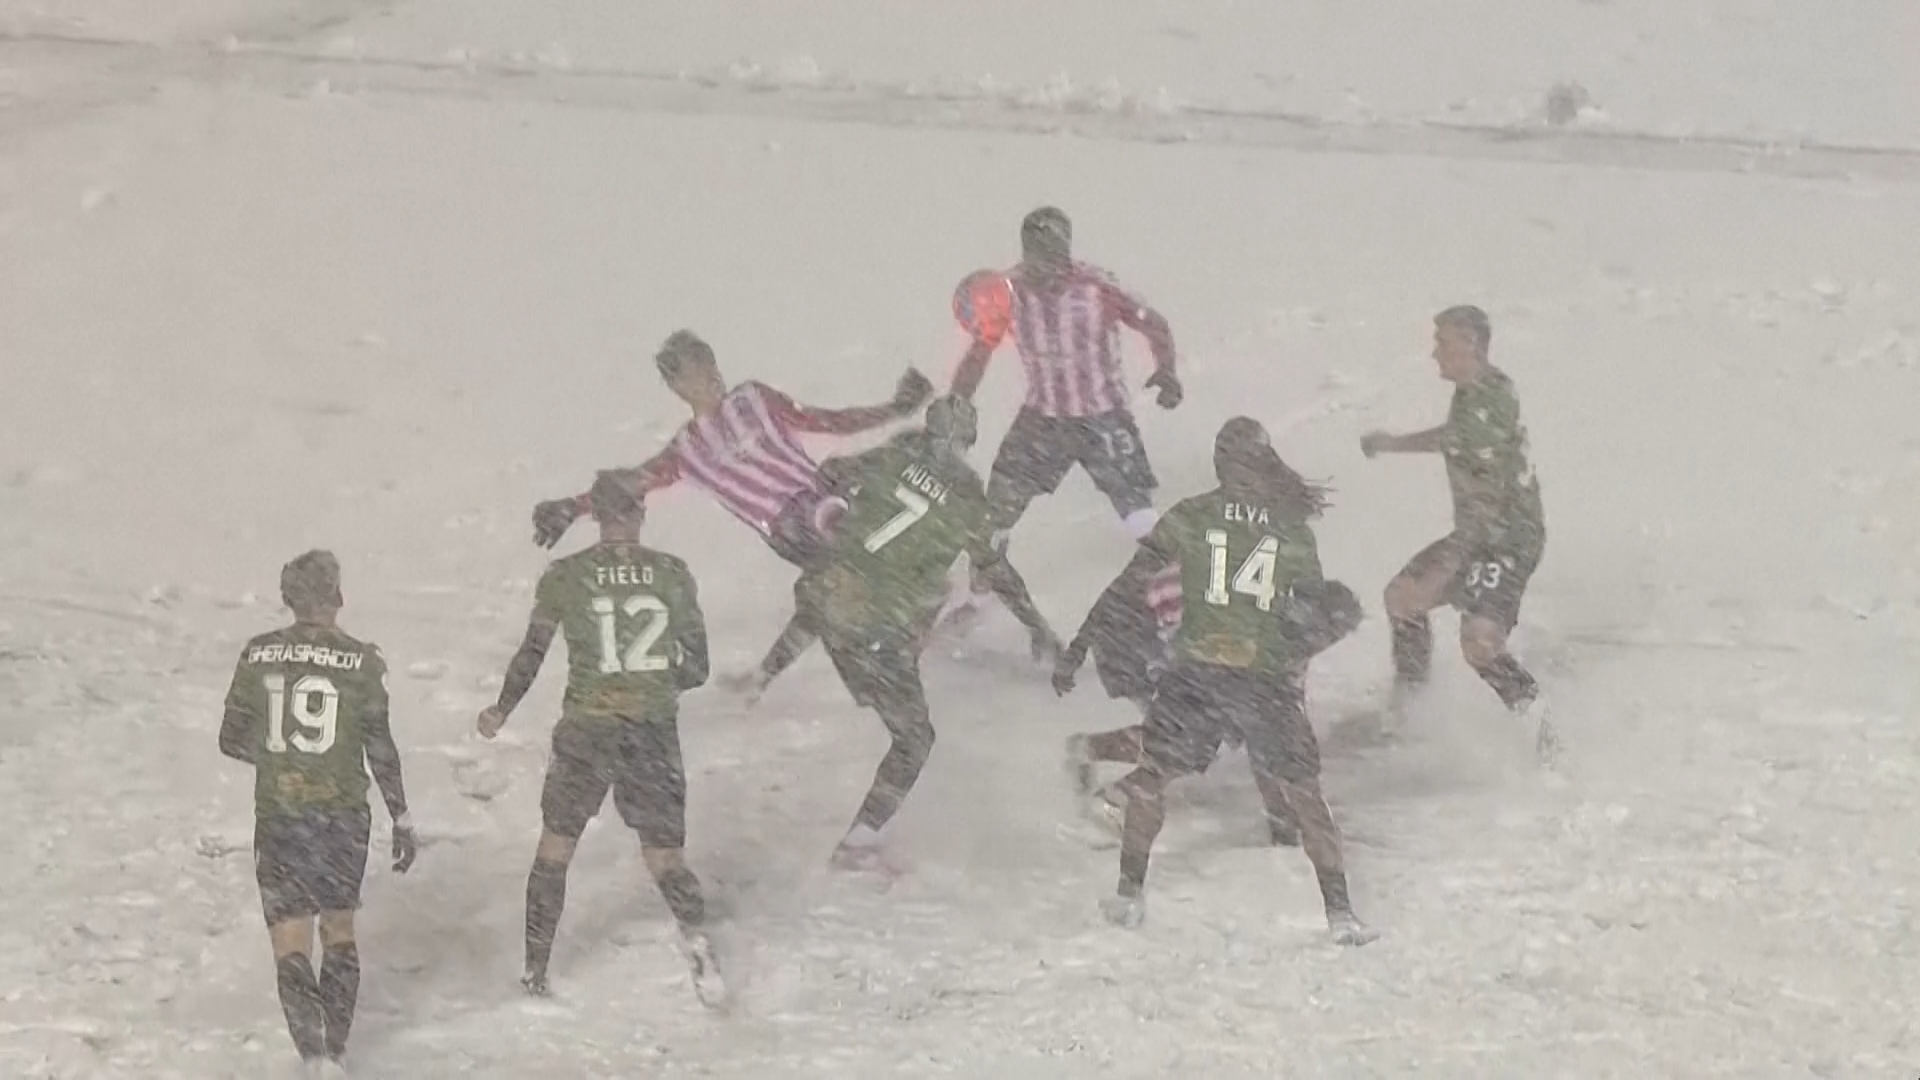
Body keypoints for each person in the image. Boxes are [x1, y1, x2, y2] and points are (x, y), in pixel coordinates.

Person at [1091, 419, 1374, 945]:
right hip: (1263, 677)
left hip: (1197, 672)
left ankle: (1129, 895)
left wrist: (1092, 634)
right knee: (1307, 795)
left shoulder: (1193, 515)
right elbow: (1307, 611)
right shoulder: (1292, 531)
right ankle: (1341, 914)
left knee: (1152, 778)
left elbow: (1134, 579)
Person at [529, 330, 936, 693]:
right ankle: (911, 622)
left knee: (843, 570)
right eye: (695, 372)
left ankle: (779, 672)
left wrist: (893, 409)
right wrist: (572, 507)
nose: (709, 376)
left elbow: (824, 420)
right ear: (677, 386)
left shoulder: (754, 398)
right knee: (844, 566)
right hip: (789, 525)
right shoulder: (686, 449)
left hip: (824, 494)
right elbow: (627, 485)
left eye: (709, 365)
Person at [755, 396, 1052, 869]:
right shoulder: (970, 501)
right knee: (915, 738)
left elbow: (831, 470)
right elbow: (997, 570)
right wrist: (1038, 625)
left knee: (831, 590)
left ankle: (764, 674)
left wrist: (847, 511)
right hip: (876, 629)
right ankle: (858, 841)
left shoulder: (895, 455)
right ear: (968, 441)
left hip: (828, 595)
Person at [480, 472, 724, 1006]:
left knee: (556, 848)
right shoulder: (672, 574)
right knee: (665, 856)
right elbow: (699, 666)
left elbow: (533, 651)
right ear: (639, 512)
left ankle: (535, 970)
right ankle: (700, 944)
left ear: (596, 517)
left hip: (588, 729)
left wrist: (502, 707)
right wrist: (657, 685)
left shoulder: (566, 576)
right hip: (651, 730)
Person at [942, 206, 1181, 648]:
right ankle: (980, 596)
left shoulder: (1099, 287)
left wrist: (1167, 371)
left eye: (1053, 253)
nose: (1045, 263)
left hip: (1103, 418)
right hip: (1043, 421)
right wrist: (956, 404)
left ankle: (1177, 609)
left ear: (1066, 251)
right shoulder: (1007, 292)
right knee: (993, 516)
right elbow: (981, 350)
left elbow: (1154, 324)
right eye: (1036, 252)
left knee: (1141, 519)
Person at [218, 551, 416, 1077]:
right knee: (339, 928)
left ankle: (311, 1056)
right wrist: (401, 814)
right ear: (338, 596)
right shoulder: (362, 661)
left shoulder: (257, 654)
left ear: (288, 599)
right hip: (342, 817)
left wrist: (284, 760)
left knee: (289, 939)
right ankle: (337, 1052)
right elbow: (380, 746)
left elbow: (231, 739)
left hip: (281, 816)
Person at [1360, 305, 1554, 760]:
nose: (1434, 354)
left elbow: (1484, 512)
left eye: (1442, 343)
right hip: (1484, 533)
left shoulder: (1485, 407)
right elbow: (1455, 436)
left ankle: (1540, 726)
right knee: (1402, 599)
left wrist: (1442, 571)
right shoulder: (1482, 390)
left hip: (1506, 541)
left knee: (1480, 645)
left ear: (1470, 345)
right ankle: (1412, 708)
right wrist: (1394, 444)